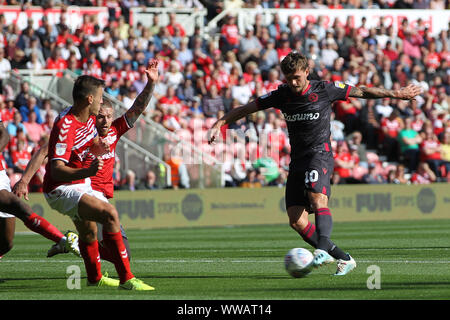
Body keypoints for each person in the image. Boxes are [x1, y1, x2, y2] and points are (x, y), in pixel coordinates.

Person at [208, 51, 421, 276]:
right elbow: (246, 109)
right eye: (288, 78)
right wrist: (219, 124)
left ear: (307, 72)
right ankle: (343, 258)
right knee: (296, 220)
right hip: (298, 159)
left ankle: (321, 249)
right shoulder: (282, 95)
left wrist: (396, 93)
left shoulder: (325, 89)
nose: (292, 82)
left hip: (319, 154)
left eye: (297, 77)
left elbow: (362, 91)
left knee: (318, 198)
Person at [13, 61, 160, 287]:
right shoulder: (69, 124)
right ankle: (127, 279)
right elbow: (49, 157)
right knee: (110, 216)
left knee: (89, 234)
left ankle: (94, 277)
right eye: (100, 104)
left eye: (108, 115)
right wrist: (24, 179)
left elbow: (137, 108)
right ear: (91, 102)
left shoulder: (104, 127)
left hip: (83, 186)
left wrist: (150, 84)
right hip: (67, 187)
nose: (104, 116)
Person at [0, 114, 80, 260]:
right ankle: (63, 241)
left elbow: (3, 132)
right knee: (19, 207)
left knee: (5, 243)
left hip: (0, 174)